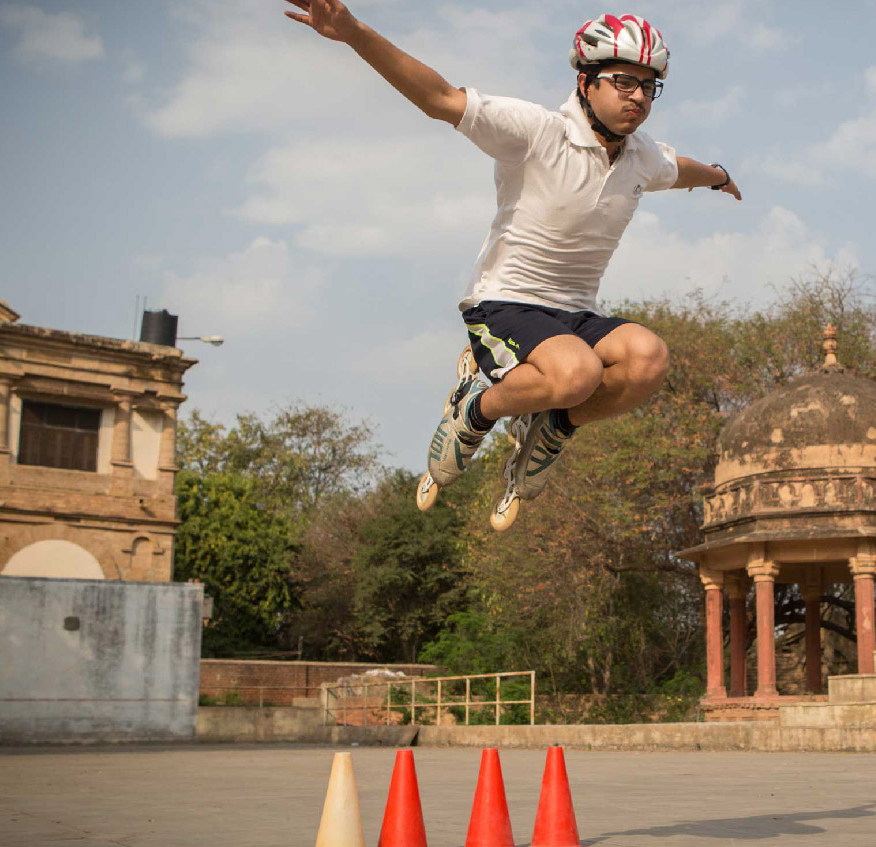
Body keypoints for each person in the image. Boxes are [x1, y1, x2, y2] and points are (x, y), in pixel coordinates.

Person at [284, 1, 742, 528]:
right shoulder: (536, 131)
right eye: (622, 81)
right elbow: (439, 98)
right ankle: (475, 407)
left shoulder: (641, 157)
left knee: (648, 359)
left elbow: (677, 169)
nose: (636, 96)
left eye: (647, 86)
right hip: (503, 303)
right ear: (586, 82)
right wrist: (353, 32)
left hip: (574, 314)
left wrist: (719, 176)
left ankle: (550, 427)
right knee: (577, 371)